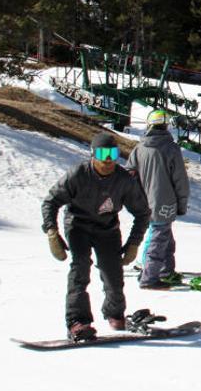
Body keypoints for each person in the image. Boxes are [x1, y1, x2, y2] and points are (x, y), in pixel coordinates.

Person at [41, 132, 151, 341]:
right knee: (80, 267)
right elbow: (51, 202)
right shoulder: (78, 174)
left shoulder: (123, 179)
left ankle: (115, 314)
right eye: (102, 153)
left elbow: (142, 212)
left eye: (112, 153)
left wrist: (133, 243)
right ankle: (77, 322)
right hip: (78, 226)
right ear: (93, 155)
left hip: (107, 229)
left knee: (113, 272)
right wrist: (51, 232)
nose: (108, 160)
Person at [127, 109, 190, 290]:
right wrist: (182, 204)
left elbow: (129, 173)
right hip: (164, 202)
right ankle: (149, 277)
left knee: (165, 236)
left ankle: (165, 271)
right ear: (166, 125)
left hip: (144, 201)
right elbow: (180, 180)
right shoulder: (170, 148)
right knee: (159, 237)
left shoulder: (139, 148)